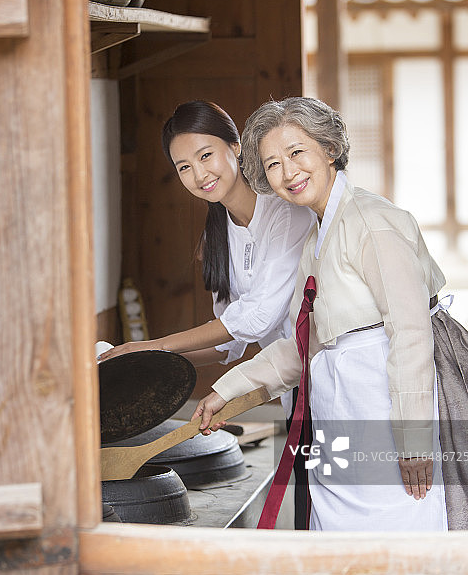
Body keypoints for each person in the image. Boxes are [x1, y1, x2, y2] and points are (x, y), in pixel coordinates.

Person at [192, 96, 468, 532]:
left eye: (297, 153)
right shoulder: (315, 239)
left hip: (384, 408)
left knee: (401, 535)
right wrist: (227, 390)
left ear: (329, 149)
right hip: (341, 409)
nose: (288, 172)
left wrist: (414, 440)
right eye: (273, 164)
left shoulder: (372, 221)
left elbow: (411, 332)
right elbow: (303, 344)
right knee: (341, 547)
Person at [99, 100, 315, 415]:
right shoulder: (216, 235)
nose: (199, 175)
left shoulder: (285, 212)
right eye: (184, 167)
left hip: (330, 380)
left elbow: (255, 319)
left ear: (236, 146)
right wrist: (146, 360)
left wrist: (154, 345)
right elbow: (228, 343)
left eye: (205, 155)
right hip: (291, 392)